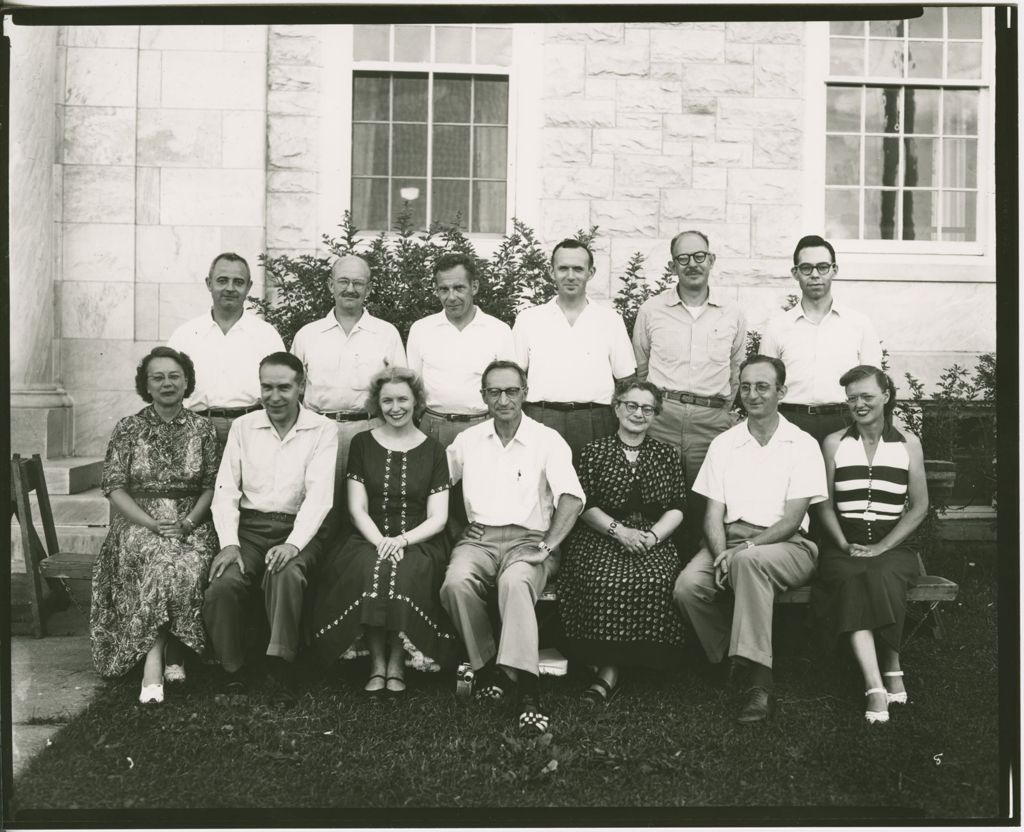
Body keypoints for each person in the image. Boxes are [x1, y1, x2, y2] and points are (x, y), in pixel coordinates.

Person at [673, 356, 827, 724]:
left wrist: (744, 549)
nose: (753, 395)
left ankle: (760, 683)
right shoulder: (724, 444)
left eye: (762, 386)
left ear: (781, 392)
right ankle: (728, 658)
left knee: (749, 562)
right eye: (746, 387)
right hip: (728, 542)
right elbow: (712, 514)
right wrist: (722, 551)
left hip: (788, 546)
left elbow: (792, 520)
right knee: (687, 587)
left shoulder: (802, 444)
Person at [441, 360, 585, 733]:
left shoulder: (546, 439)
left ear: (525, 392)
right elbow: (437, 485)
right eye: (494, 391)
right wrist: (457, 527)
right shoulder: (468, 441)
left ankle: (528, 691)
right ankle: (489, 670)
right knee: (456, 582)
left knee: (516, 582)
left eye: (511, 391)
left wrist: (549, 545)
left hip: (530, 540)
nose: (503, 399)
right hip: (480, 538)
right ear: (483, 396)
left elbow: (572, 497)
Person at [310, 367, 455, 694]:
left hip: (420, 539)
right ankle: (377, 662)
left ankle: (395, 662)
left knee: (404, 572)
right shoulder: (362, 444)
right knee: (372, 567)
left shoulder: (434, 449)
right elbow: (356, 508)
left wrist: (402, 540)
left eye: (403, 399)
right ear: (377, 403)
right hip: (368, 536)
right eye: (387, 400)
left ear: (417, 401)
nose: (395, 407)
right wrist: (382, 542)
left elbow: (439, 517)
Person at [90, 347, 219, 704]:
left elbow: (211, 486)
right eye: (158, 377)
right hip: (138, 522)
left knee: (187, 564)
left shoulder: (203, 429)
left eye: (174, 376)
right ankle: (156, 660)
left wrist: (189, 523)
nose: (167, 383)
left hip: (191, 521)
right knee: (161, 562)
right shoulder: (128, 428)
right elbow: (114, 487)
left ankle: (170, 653)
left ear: (187, 381)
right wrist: (151, 523)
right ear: (145, 385)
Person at [203, 352, 337, 694]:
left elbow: (319, 496)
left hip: (299, 529)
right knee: (223, 583)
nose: (274, 397)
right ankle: (232, 667)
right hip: (249, 530)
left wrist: (293, 544)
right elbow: (226, 491)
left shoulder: (322, 429)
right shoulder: (243, 427)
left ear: (301, 387)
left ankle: (280, 665)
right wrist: (230, 543)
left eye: (284, 387)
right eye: (267, 387)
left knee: (285, 572)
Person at [811, 365, 928, 724]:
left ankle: (891, 664)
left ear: (886, 395)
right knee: (853, 575)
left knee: (879, 570)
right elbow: (824, 503)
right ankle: (876, 681)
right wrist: (844, 543)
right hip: (843, 546)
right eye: (851, 399)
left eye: (866, 396)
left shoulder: (908, 442)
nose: (858, 404)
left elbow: (920, 505)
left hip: (892, 547)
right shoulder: (834, 443)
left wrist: (883, 546)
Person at [558, 380, 687, 704]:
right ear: (617, 408)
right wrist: (619, 531)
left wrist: (653, 536)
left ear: (655, 414)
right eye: (631, 405)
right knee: (602, 578)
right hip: (602, 535)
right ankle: (610, 667)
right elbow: (583, 505)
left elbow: (677, 506)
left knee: (656, 578)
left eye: (647, 408)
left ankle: (634, 663)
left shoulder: (666, 454)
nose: (638, 413)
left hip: (651, 537)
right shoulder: (594, 451)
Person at [632, 230, 746, 554]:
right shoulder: (651, 310)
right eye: (683, 258)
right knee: (656, 498)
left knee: (706, 504)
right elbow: (641, 369)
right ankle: (657, 575)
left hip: (712, 422)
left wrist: (721, 411)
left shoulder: (732, 313)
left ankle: (698, 581)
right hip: (661, 418)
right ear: (673, 266)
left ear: (711, 260)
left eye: (699, 257)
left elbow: (737, 370)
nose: (692, 264)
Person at [512, 239, 636, 460]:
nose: (570, 276)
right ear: (551, 271)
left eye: (578, 269)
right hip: (541, 418)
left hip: (595, 421)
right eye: (563, 268)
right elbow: (513, 378)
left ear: (591, 272)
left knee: (595, 492)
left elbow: (627, 380)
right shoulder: (528, 319)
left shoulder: (610, 320)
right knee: (539, 491)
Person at [290, 254, 406, 487]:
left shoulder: (386, 333)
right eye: (343, 281)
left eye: (358, 283)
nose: (350, 289)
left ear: (369, 288)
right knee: (322, 508)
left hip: (370, 432)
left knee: (365, 505)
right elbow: (291, 389)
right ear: (331, 285)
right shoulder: (307, 335)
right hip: (318, 431)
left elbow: (401, 390)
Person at [761, 235, 883, 444]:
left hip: (845, 422)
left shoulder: (859, 324)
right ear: (795, 273)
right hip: (790, 423)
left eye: (823, 267)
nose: (815, 275)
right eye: (807, 268)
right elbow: (764, 385)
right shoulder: (777, 327)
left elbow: (874, 385)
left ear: (834, 269)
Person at [167, 252, 284, 447]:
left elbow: (281, 388)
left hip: (252, 429)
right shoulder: (184, 335)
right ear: (209, 283)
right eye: (222, 280)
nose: (230, 288)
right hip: (195, 430)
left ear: (249, 288)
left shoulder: (267, 335)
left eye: (238, 282)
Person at [407, 252, 515, 448]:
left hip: (483, 427)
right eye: (444, 289)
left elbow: (509, 388)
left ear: (474, 287)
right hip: (432, 427)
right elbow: (412, 387)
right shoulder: (421, 329)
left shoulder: (499, 331)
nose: (451, 297)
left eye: (459, 288)